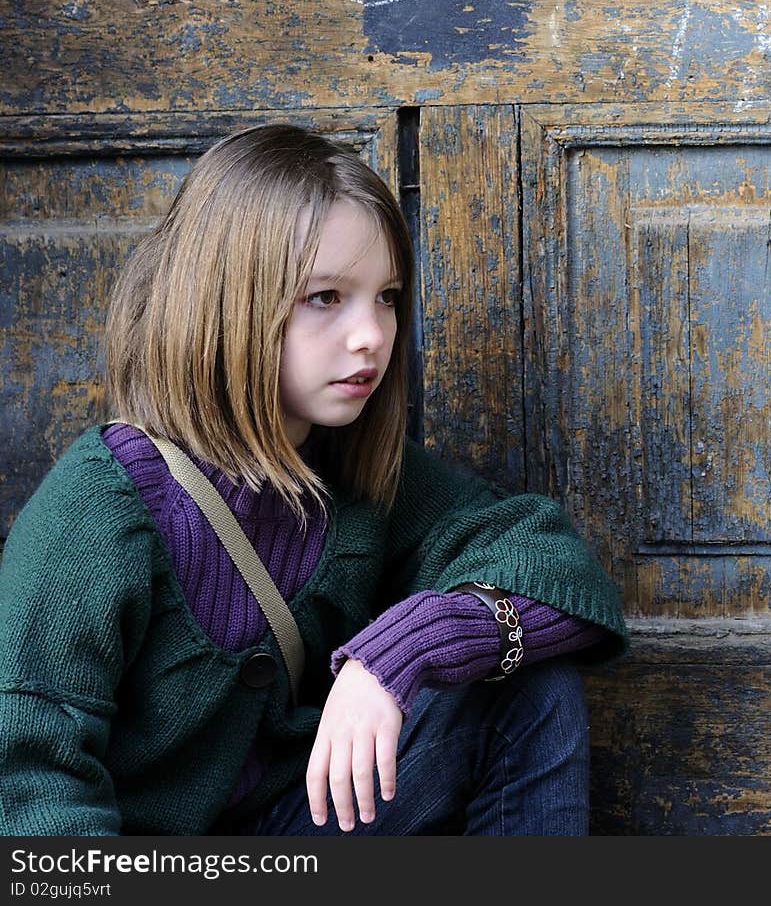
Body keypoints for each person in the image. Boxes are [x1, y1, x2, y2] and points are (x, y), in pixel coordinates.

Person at [0, 122, 627, 837]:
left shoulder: (350, 471)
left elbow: (559, 574)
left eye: (386, 296)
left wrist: (400, 653)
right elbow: (27, 783)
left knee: (524, 678)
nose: (372, 335)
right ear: (227, 300)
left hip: (299, 825)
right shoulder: (102, 505)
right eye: (326, 296)